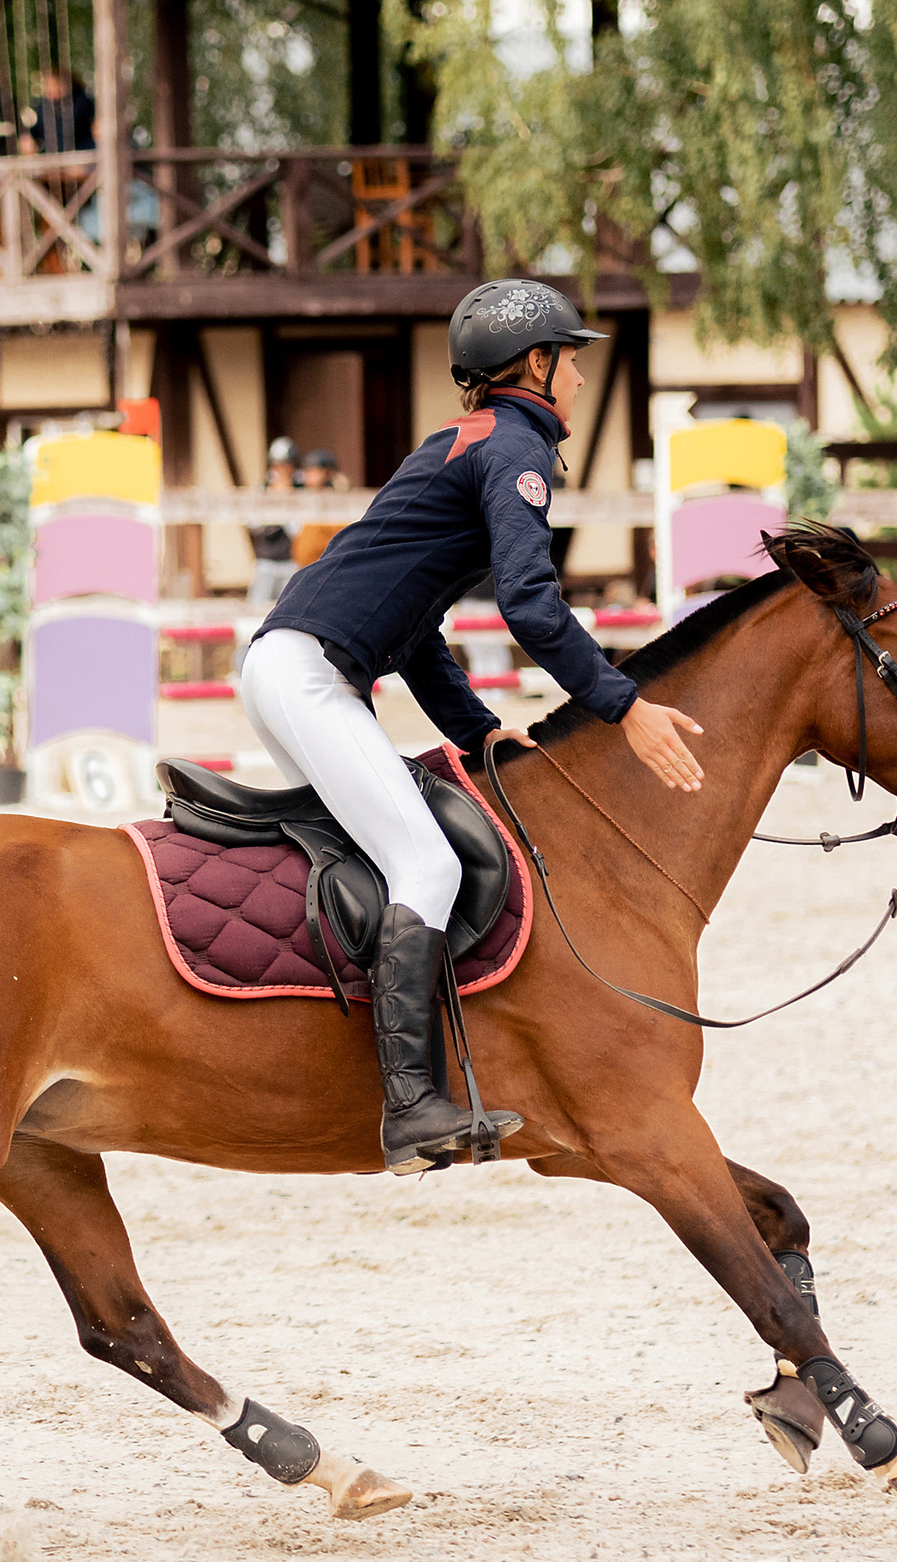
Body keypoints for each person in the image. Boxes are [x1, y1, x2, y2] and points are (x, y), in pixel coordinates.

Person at [246, 278, 705, 1175]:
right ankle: (413, 1105)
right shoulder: (517, 449)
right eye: (569, 360)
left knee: (394, 848)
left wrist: (480, 731)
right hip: (309, 675)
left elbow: (415, 629)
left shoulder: (463, 441)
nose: (577, 379)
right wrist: (624, 706)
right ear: (534, 365)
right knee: (427, 861)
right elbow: (533, 610)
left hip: (291, 665)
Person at [246, 437, 299, 605]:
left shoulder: (299, 491)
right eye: (277, 465)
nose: (281, 470)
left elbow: (296, 529)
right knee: (257, 607)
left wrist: (286, 499)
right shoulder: (262, 490)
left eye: (285, 465)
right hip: (266, 562)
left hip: (290, 563)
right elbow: (253, 524)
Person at [290, 448, 346, 569]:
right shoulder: (305, 498)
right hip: (302, 567)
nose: (307, 476)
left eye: (312, 472)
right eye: (306, 472)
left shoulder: (337, 501)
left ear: (327, 473)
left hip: (325, 567)